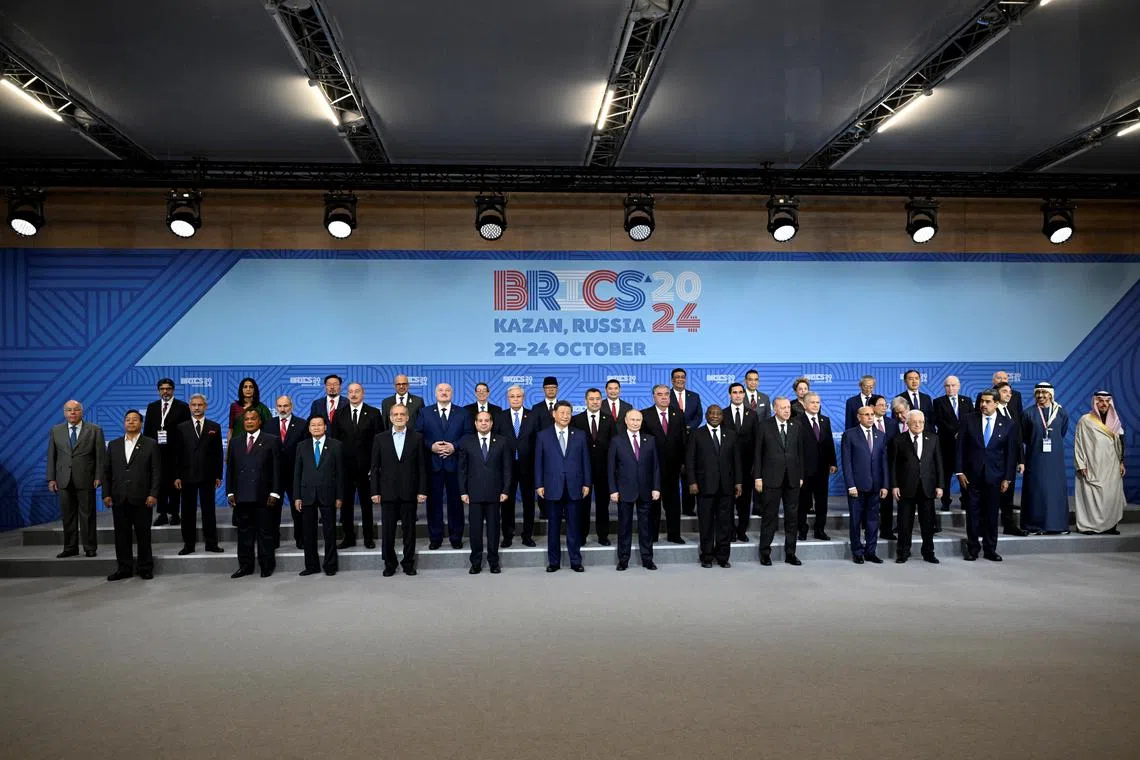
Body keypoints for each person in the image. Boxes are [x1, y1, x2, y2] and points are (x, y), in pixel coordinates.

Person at [956, 389, 1018, 562]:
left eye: (988, 401)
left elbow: (1010, 454)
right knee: (973, 513)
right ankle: (973, 548)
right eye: (982, 401)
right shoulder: (969, 420)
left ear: (997, 403)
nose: (983, 404)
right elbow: (960, 447)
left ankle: (990, 549)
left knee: (991, 514)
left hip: (996, 477)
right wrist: (959, 471)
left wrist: (1008, 478)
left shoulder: (1008, 424)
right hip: (971, 476)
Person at [101, 410, 161, 581]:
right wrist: (106, 494)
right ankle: (124, 568)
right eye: (128, 420)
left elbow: (156, 472)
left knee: (143, 535)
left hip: (143, 498)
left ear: (141, 423)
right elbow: (106, 472)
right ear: (124, 423)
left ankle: (145, 568)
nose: (131, 422)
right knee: (121, 536)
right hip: (119, 497)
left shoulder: (150, 444)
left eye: (135, 419)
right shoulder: (114, 445)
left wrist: (153, 494)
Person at [370, 404, 429, 576]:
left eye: (402, 414)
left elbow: (421, 468)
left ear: (408, 417)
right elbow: (374, 468)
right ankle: (389, 563)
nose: (399, 417)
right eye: (395, 414)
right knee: (388, 532)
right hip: (387, 493)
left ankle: (408, 563)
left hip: (409, 492)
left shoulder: (417, 437)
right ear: (390, 418)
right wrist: (375, 491)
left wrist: (422, 491)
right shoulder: (380, 438)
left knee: (409, 531)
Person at [534, 400, 591, 572]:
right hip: (552, 487)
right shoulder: (543, 435)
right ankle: (554, 562)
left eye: (568, 413)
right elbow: (539, 462)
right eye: (562, 413)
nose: (565, 416)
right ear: (554, 414)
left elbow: (585, 461)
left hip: (574, 486)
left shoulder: (580, 435)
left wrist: (587, 482)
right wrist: (539, 484)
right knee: (553, 527)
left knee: (574, 526)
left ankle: (575, 561)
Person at [226, 409, 282, 578]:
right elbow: (231, 470)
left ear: (259, 421)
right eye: (246, 419)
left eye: (253, 419)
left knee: (265, 533)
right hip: (242, 496)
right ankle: (245, 566)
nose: (249, 421)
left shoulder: (271, 441)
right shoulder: (235, 442)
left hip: (264, 496)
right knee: (244, 534)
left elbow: (277, 470)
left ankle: (266, 565)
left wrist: (275, 493)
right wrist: (229, 492)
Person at [46, 400, 106, 558]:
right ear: (64, 413)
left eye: (76, 410)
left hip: (86, 478)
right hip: (63, 479)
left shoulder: (95, 430)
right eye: (69, 410)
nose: (72, 413)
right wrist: (51, 479)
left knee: (87, 515)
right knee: (68, 515)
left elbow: (101, 456)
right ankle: (70, 547)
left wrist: (99, 476)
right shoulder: (55, 431)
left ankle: (90, 547)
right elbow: (51, 456)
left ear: (82, 412)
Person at [686, 405, 742, 568]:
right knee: (706, 524)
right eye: (712, 413)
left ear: (722, 416)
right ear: (706, 415)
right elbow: (690, 460)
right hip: (704, 487)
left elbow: (736, 461)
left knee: (725, 524)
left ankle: (723, 557)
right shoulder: (697, 434)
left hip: (727, 487)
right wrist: (692, 482)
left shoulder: (731, 434)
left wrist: (738, 482)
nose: (715, 416)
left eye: (718, 414)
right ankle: (707, 556)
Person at [753, 397, 806, 566]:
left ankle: (791, 553)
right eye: (783, 408)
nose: (787, 410)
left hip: (792, 479)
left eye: (788, 407)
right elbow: (757, 454)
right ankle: (765, 553)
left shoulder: (796, 426)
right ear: (774, 408)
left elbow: (800, 454)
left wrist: (801, 476)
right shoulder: (764, 426)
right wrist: (758, 477)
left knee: (792, 518)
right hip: (770, 479)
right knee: (769, 517)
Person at [458, 411, 512, 574]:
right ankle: (475, 562)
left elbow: (507, 469)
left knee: (494, 530)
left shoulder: (502, 442)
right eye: (480, 420)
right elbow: (462, 470)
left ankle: (493, 562)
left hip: (495, 493)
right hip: (473, 494)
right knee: (475, 530)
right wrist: (463, 491)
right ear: (475, 423)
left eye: (486, 420)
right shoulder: (466, 442)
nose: (483, 423)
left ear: (491, 423)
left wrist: (506, 489)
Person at [417, 383, 469, 550]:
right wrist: (431, 446)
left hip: (455, 465)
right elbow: (418, 435)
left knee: (456, 503)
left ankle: (456, 537)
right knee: (433, 504)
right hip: (433, 465)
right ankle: (435, 537)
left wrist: (454, 446)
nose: (444, 393)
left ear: (452, 393)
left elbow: (468, 434)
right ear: (435, 393)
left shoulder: (462, 412)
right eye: (441, 390)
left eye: (447, 390)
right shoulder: (425, 412)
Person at [608, 410, 660, 571]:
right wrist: (613, 490)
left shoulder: (650, 440)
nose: (635, 422)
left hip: (646, 490)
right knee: (624, 527)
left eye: (638, 420)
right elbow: (611, 468)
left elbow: (655, 466)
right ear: (626, 420)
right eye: (632, 419)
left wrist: (656, 487)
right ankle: (623, 559)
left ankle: (647, 559)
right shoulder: (617, 441)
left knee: (646, 527)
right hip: (624, 491)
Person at [172, 393, 224, 554]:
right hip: (187, 476)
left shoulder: (214, 427)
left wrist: (218, 475)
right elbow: (177, 454)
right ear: (189, 407)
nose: (196, 407)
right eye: (194, 405)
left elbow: (218, 454)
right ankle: (189, 545)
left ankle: (211, 543)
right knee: (187, 512)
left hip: (208, 475)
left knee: (209, 511)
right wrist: (177, 475)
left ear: (205, 406)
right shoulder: (181, 427)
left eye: (200, 405)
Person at [332, 383, 382, 549]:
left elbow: (378, 442)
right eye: (351, 392)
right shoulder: (339, 414)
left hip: (366, 469)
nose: (353, 395)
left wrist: (374, 466)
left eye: (357, 391)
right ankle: (348, 538)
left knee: (367, 506)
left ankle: (368, 537)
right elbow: (335, 442)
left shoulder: (374, 413)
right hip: (345, 469)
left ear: (363, 393)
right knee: (346, 506)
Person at [890, 410, 944, 564]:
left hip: (927, 488)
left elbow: (938, 463)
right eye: (914, 422)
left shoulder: (933, 439)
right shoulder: (898, 440)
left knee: (927, 524)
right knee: (904, 523)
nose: (918, 425)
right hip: (905, 488)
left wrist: (940, 485)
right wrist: (894, 485)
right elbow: (893, 465)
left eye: (921, 422)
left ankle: (928, 552)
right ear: (907, 424)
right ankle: (903, 552)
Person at [293, 416, 342, 576]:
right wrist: (297, 496)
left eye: (319, 425)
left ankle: (330, 565)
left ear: (325, 427)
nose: (316, 427)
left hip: (328, 494)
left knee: (330, 532)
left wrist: (339, 496)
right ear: (309, 428)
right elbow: (297, 473)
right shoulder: (301, 446)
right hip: (306, 494)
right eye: (313, 425)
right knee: (308, 532)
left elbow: (341, 474)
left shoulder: (336, 445)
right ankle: (311, 565)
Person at [1018, 382, 1070, 535]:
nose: (1041, 395)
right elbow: (1025, 437)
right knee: (1036, 490)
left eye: (1044, 392)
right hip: (1035, 458)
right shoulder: (1028, 413)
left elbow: (1062, 432)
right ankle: (1033, 525)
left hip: (1055, 460)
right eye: (1038, 392)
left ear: (1050, 394)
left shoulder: (1061, 413)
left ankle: (1057, 525)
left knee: (1055, 491)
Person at [1074, 392, 1127, 534]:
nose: (1104, 404)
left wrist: (1121, 462)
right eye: (1100, 401)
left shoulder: (1115, 421)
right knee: (1092, 495)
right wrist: (1081, 464)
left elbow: (1121, 443)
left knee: (1111, 496)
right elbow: (1079, 443)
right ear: (1095, 402)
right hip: (1092, 463)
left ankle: (1110, 526)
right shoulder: (1085, 420)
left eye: (1107, 401)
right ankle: (1089, 526)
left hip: (1111, 465)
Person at [841, 406, 888, 564]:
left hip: (875, 486)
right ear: (858, 416)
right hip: (857, 486)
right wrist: (850, 485)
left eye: (872, 414)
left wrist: (885, 485)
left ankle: (870, 551)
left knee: (873, 521)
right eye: (866, 414)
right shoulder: (850, 435)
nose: (870, 417)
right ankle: (857, 551)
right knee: (855, 521)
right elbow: (846, 462)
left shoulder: (881, 435)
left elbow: (884, 463)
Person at [640, 384, 686, 544]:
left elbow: (683, 441)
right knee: (653, 504)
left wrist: (683, 462)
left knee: (673, 503)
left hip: (673, 468)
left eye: (667, 394)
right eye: (660, 394)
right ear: (654, 396)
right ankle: (652, 535)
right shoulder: (645, 415)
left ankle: (674, 535)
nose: (664, 397)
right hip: (652, 468)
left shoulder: (678, 414)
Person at [494, 386, 539, 547]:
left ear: (523, 398)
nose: (515, 399)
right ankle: (508, 535)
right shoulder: (500, 417)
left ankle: (527, 535)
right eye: (512, 396)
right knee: (507, 503)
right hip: (506, 468)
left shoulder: (533, 416)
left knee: (528, 503)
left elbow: (538, 442)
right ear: (508, 398)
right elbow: (496, 442)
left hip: (528, 467)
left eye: (518, 396)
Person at [143, 378, 191, 527]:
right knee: (160, 483)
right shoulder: (152, 407)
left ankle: (175, 514)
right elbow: (148, 431)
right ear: (158, 391)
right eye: (162, 389)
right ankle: (162, 514)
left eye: (168, 388)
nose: (165, 391)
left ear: (173, 390)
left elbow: (186, 430)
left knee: (175, 483)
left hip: (176, 452)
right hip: (157, 451)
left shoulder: (182, 407)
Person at [572, 388, 616, 545]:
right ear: (585, 401)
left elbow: (614, 445)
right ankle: (582, 536)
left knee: (603, 505)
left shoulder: (609, 419)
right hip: (582, 470)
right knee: (583, 505)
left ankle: (603, 536)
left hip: (603, 470)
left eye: (598, 398)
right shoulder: (576, 419)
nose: (595, 401)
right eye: (591, 399)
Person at [267, 395, 308, 549]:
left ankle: (301, 539)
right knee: (273, 510)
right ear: (276, 407)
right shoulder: (268, 424)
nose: (283, 409)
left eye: (286, 406)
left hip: (295, 474)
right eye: (280, 406)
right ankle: (273, 540)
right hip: (274, 475)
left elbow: (305, 450)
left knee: (298, 509)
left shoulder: (302, 424)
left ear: (292, 406)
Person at [798, 392, 837, 541]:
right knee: (803, 502)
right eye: (813, 402)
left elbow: (829, 442)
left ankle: (820, 530)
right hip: (805, 469)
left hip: (822, 468)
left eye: (818, 402)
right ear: (805, 405)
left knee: (822, 502)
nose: (816, 405)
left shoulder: (825, 420)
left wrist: (833, 462)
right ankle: (802, 529)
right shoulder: (797, 421)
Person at [722, 383, 759, 542]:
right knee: (728, 501)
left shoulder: (752, 414)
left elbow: (758, 441)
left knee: (744, 502)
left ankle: (742, 531)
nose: (737, 395)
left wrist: (756, 466)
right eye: (734, 392)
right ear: (730, 395)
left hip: (747, 467)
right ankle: (729, 531)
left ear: (744, 395)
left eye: (740, 392)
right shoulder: (721, 414)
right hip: (727, 467)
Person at [932, 376, 972, 511]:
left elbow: (971, 420)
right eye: (947, 386)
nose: (951, 388)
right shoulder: (938, 402)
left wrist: (961, 434)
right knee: (946, 475)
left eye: (953, 385)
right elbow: (938, 420)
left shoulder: (966, 401)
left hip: (964, 446)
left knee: (964, 474)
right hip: (946, 444)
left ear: (959, 386)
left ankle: (965, 500)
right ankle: (945, 501)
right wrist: (954, 432)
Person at [993, 381, 1028, 536]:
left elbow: (1018, 438)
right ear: (996, 394)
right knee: (993, 495)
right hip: (994, 461)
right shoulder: (990, 411)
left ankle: (1009, 525)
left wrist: (1021, 460)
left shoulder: (1012, 411)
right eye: (1005, 391)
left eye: (1010, 392)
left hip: (1010, 461)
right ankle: (989, 527)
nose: (1009, 394)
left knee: (1008, 495)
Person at [670, 368, 701, 517]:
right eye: (677, 377)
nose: (680, 379)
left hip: (690, 442)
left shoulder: (694, 396)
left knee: (689, 475)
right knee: (671, 477)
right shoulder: (665, 396)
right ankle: (672, 508)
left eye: (683, 377)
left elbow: (699, 416)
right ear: (672, 380)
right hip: (672, 443)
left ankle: (689, 508)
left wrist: (689, 427)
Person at [879, 396, 910, 541]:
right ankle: (887, 529)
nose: (900, 416)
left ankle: (903, 528)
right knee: (887, 502)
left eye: (902, 412)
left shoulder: (919, 422)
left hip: (910, 470)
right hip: (892, 468)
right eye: (896, 413)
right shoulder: (891, 424)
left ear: (908, 408)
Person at [227, 377, 271, 442]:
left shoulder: (262, 408)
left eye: (251, 387)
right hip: (237, 445)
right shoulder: (234, 406)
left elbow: (269, 429)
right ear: (241, 390)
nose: (248, 389)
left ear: (254, 390)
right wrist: (228, 449)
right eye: (245, 387)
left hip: (257, 445)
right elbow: (231, 430)